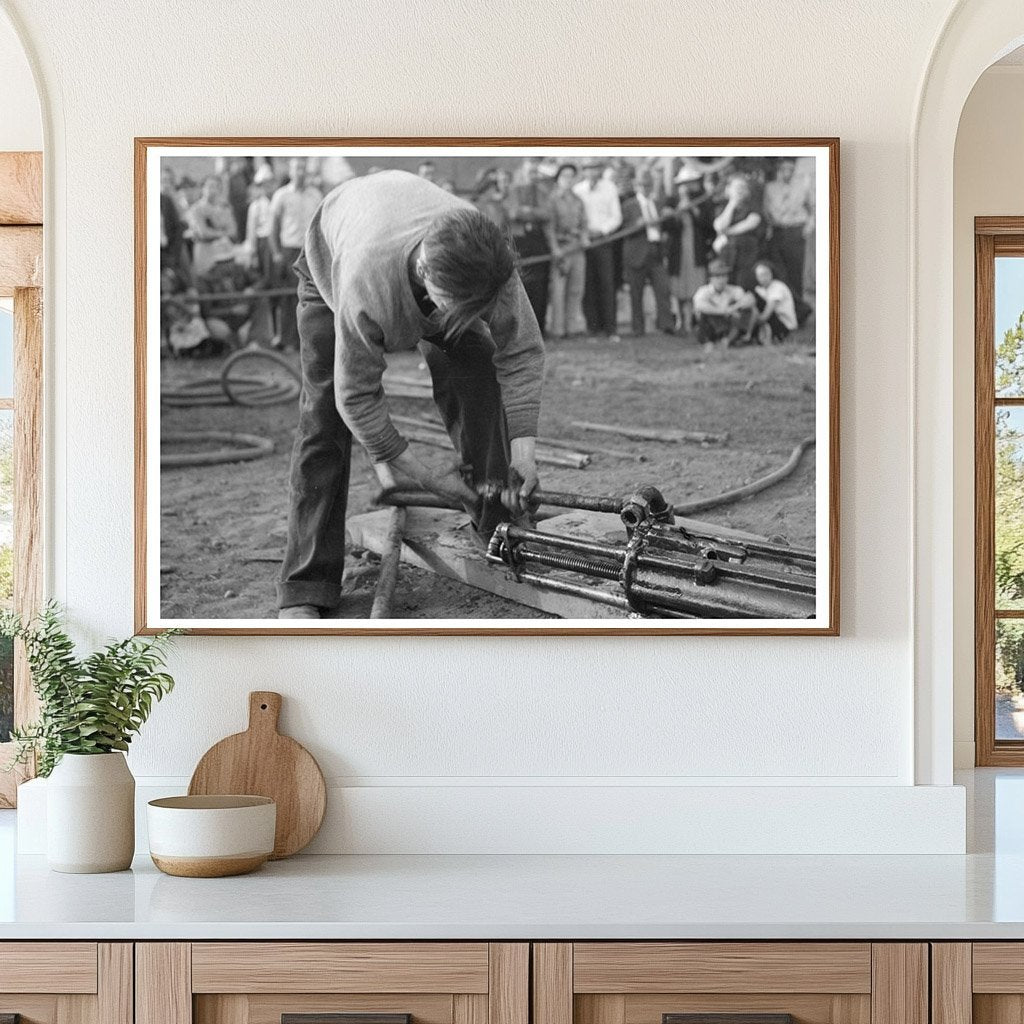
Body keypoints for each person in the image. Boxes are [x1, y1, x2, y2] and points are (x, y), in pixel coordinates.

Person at [277, 170, 545, 620]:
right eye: (457, 308)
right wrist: (426, 479)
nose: (465, 317)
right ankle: (305, 583)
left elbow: (520, 353)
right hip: (333, 254)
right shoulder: (365, 280)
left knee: (477, 365)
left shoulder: (488, 259)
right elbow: (356, 398)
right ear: (425, 274)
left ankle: (496, 521)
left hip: (417, 244)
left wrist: (524, 457)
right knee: (323, 419)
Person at [269, 157, 322, 349]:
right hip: (289, 250)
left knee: (311, 296)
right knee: (288, 297)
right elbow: (273, 227)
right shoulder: (281, 195)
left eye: (302, 168)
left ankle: (308, 340)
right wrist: (276, 253)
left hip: (310, 250)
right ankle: (288, 340)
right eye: (296, 168)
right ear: (290, 171)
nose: (300, 172)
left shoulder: (315, 195)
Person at [620, 168, 673, 337]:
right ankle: (638, 328)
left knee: (663, 289)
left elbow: (667, 227)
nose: (645, 188)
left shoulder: (657, 203)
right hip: (636, 253)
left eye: (648, 185)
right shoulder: (628, 205)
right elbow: (622, 230)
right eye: (642, 185)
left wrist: (668, 217)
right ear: (636, 186)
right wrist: (637, 225)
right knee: (636, 293)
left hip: (656, 251)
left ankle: (666, 325)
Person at [574, 157, 621, 338]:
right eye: (588, 168)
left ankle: (610, 328)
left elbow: (616, 217)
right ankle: (593, 328)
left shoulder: (609, 188)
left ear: (600, 170)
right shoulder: (578, 190)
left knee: (607, 284)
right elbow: (576, 217)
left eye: (595, 168)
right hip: (585, 242)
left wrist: (602, 230)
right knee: (588, 285)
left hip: (604, 241)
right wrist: (584, 234)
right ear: (584, 171)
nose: (592, 172)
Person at [508, 157, 552, 333]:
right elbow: (513, 213)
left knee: (540, 285)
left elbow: (547, 214)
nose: (533, 176)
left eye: (535, 172)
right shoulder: (513, 190)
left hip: (538, 240)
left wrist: (527, 211)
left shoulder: (542, 191)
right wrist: (534, 213)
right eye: (530, 172)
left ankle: (540, 327)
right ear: (522, 172)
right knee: (523, 285)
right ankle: (524, 330)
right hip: (520, 241)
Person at [545, 163, 588, 340]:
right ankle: (558, 330)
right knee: (558, 290)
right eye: (565, 176)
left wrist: (584, 237)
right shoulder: (552, 200)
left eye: (572, 176)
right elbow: (549, 227)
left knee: (576, 289)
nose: (568, 180)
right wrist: (555, 248)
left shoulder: (578, 200)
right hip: (561, 249)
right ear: (558, 179)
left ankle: (572, 327)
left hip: (577, 248)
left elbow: (584, 223)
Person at [763, 157, 812, 301]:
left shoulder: (802, 187)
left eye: (791, 169)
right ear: (778, 170)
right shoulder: (770, 188)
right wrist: (774, 222)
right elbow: (766, 211)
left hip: (795, 231)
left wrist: (809, 225)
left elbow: (811, 208)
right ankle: (782, 304)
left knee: (796, 270)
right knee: (779, 269)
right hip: (777, 231)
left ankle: (798, 306)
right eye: (784, 169)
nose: (787, 173)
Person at [712, 173, 762, 290]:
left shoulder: (752, 207)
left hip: (747, 253)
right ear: (728, 189)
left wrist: (726, 232)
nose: (740, 190)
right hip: (727, 254)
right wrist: (732, 204)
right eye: (736, 187)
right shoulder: (722, 208)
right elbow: (720, 226)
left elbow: (750, 223)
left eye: (743, 187)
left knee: (743, 284)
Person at [692, 258, 756, 348]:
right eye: (717, 277)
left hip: (727, 324)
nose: (721, 280)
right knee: (705, 314)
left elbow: (749, 300)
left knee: (746, 311)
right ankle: (708, 341)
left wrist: (735, 307)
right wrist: (724, 310)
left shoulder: (733, 289)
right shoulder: (703, 291)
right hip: (711, 326)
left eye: (724, 276)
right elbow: (700, 306)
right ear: (711, 278)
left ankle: (729, 339)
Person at [188, 176, 237, 277]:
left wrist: (216, 231)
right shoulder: (196, 209)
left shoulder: (224, 207)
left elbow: (232, 230)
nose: (213, 190)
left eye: (216, 187)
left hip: (224, 254)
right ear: (203, 188)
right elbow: (203, 233)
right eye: (210, 186)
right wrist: (222, 232)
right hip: (205, 254)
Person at [243, 164, 277, 282]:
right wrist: (252, 250)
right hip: (263, 242)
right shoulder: (256, 206)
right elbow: (251, 230)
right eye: (264, 184)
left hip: (277, 240)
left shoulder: (277, 201)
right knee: (266, 274)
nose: (268, 187)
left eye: (270, 183)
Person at [752, 260, 798, 343]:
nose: (764, 278)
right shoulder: (759, 289)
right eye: (760, 275)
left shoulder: (777, 287)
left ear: (771, 274)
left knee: (756, 300)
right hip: (770, 321)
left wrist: (752, 321)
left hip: (785, 325)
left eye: (766, 274)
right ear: (756, 277)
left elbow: (766, 315)